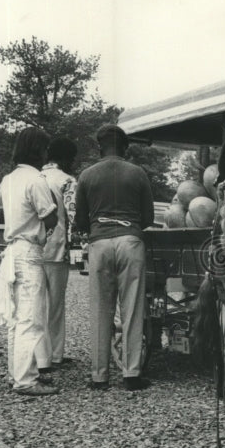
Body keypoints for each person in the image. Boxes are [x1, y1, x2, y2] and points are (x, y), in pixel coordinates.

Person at [74, 123, 154, 391]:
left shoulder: (86, 176)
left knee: (100, 309)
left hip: (99, 242)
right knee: (132, 308)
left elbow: (81, 221)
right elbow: (149, 218)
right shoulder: (138, 173)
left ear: (100, 147)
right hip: (131, 241)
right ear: (125, 147)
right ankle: (131, 374)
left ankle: (99, 376)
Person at [0, 128, 60, 398]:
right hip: (29, 249)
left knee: (16, 318)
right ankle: (26, 380)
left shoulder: (9, 179)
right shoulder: (36, 179)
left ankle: (16, 373)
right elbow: (49, 217)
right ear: (38, 151)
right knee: (31, 317)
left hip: (11, 250)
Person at [35, 136, 78, 373]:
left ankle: (37, 355)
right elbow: (74, 215)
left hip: (33, 247)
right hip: (57, 247)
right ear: (65, 158)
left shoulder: (34, 177)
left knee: (36, 303)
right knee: (56, 305)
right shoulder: (68, 180)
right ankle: (55, 355)